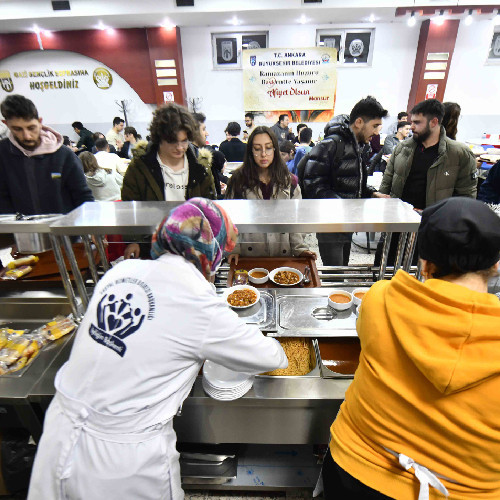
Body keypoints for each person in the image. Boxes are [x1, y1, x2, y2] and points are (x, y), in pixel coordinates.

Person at [27, 198, 288, 500]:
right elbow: (272, 357)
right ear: (212, 252)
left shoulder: (120, 272)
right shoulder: (197, 303)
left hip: (59, 431)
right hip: (122, 459)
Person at [321, 197, 500, 500]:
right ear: (495, 265)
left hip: (354, 470)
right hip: (465, 491)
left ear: (426, 264)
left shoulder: (381, 299)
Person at [301, 96, 388, 266]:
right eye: (375, 126)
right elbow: (312, 184)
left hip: (347, 221)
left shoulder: (358, 146)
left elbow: (353, 180)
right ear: (359, 122)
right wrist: (341, 205)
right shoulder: (330, 145)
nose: (377, 132)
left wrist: (371, 192)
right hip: (331, 224)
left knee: (342, 267)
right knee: (335, 275)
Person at [121, 103, 216, 259]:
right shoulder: (140, 166)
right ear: (159, 138)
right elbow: (129, 207)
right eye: (173, 142)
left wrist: (207, 246)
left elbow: (210, 206)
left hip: (191, 246)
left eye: (184, 141)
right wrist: (133, 241)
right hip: (152, 247)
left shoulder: (200, 166)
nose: (180, 147)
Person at [225, 126, 315, 261]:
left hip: (281, 256)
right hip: (248, 257)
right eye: (257, 148)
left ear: (275, 149)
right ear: (250, 151)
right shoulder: (237, 181)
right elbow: (231, 221)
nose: (263, 154)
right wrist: (234, 250)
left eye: (268, 147)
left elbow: (296, 221)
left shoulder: (290, 182)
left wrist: (300, 249)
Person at [0, 94, 93, 215]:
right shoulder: (3, 154)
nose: (27, 135)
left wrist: (91, 228)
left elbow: (83, 196)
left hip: (63, 230)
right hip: (19, 232)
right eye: (18, 129)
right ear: (6, 124)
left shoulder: (64, 155)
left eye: (31, 127)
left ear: (40, 122)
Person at [379, 99, 477, 212]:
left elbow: (466, 197)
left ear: (434, 122)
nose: (411, 127)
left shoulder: (460, 154)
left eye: (417, 122)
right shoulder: (402, 148)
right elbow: (386, 183)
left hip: (435, 224)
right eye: (412, 122)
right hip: (399, 221)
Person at [192, 112, 228, 199]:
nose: (207, 134)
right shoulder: (197, 160)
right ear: (194, 132)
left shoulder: (199, 157)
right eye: (203, 129)